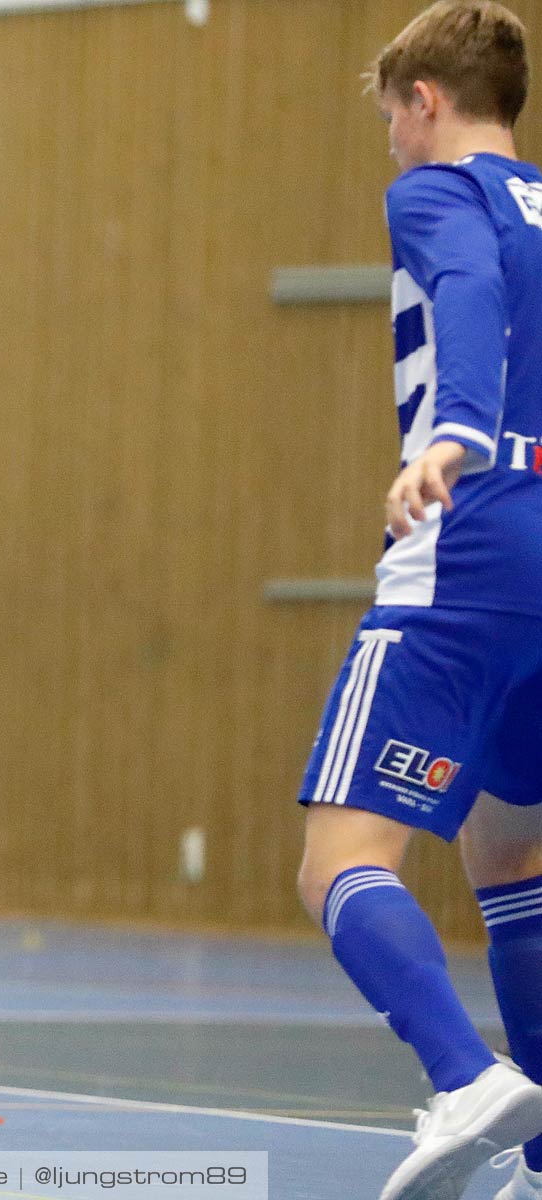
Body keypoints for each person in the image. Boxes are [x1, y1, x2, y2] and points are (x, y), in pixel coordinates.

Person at [293, 5, 542, 1198]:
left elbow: (467, 292)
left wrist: (450, 438)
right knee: (512, 855)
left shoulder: (443, 193)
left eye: (390, 112)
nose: (389, 137)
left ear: (426, 101)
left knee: (337, 857)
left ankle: (462, 1078)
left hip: (475, 539)